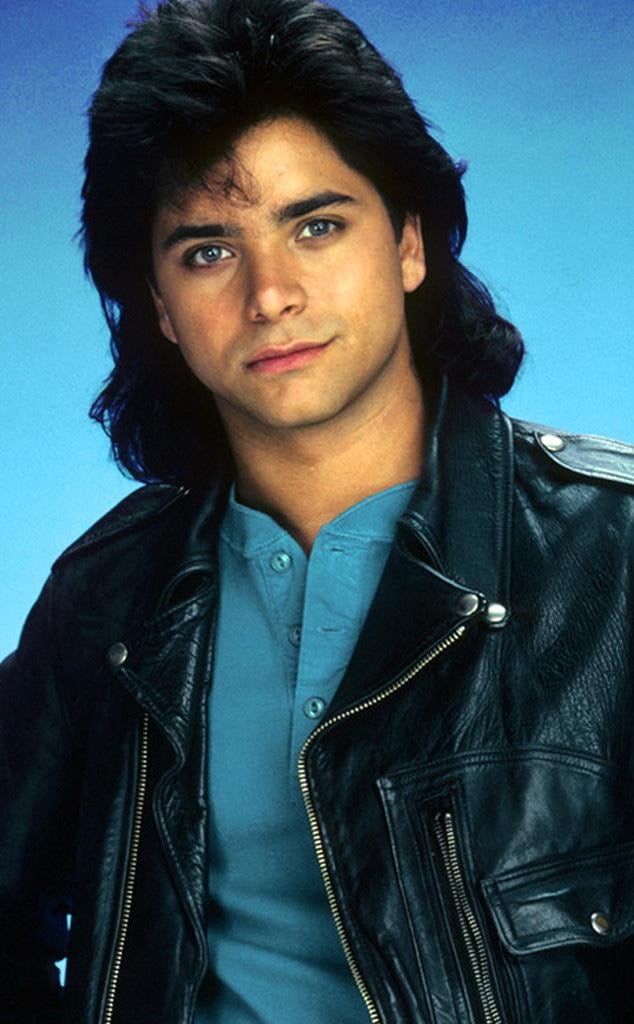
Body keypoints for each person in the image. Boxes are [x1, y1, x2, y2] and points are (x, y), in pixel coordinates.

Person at [1, 0, 633, 1021]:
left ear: (410, 245)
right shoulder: (106, 600)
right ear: (159, 308)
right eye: (207, 250)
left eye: (317, 224)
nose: (270, 294)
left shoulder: (612, 558)